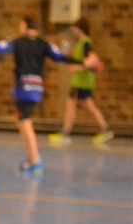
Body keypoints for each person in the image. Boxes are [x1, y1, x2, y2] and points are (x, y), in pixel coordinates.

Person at [0, 16, 68, 174]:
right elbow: (61, 57)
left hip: (23, 87)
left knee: (25, 121)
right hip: (37, 86)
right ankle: (32, 158)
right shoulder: (44, 44)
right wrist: (81, 62)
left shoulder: (17, 42)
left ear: (24, 26)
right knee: (21, 119)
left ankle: (35, 160)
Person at [47, 17, 114, 146]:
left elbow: (92, 60)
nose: (73, 30)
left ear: (80, 29)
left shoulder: (85, 43)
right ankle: (104, 129)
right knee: (87, 105)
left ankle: (66, 133)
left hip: (81, 81)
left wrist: (78, 68)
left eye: (75, 28)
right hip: (81, 81)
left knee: (71, 105)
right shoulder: (81, 43)